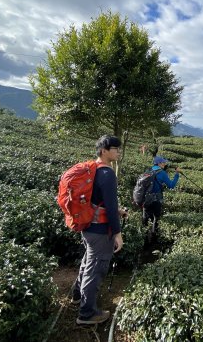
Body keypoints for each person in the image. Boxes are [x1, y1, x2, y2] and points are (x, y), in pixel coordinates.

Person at [73, 135, 128, 326]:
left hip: (88, 226)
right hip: (100, 230)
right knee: (95, 269)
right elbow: (111, 207)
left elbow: (98, 201)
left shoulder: (93, 169)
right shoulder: (107, 173)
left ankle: (77, 295)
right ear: (104, 150)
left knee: (88, 261)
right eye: (115, 149)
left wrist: (116, 211)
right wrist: (118, 234)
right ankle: (87, 313)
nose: (118, 152)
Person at [142, 155, 181, 236]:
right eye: (163, 162)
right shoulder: (162, 173)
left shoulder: (148, 170)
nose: (164, 164)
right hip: (156, 199)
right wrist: (177, 174)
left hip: (146, 198)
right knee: (156, 219)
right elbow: (171, 185)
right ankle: (153, 238)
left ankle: (144, 238)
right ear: (159, 163)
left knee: (145, 219)